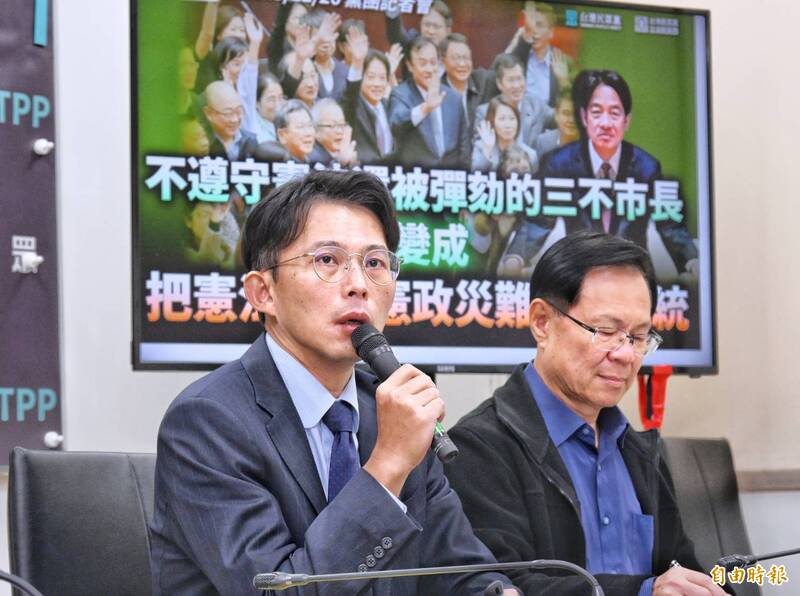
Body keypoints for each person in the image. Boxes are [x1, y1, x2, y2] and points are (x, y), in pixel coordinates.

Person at [150, 169, 521, 595]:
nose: (358, 285)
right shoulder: (207, 422)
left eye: (375, 263)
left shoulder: (388, 411)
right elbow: (279, 591)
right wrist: (387, 465)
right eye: (327, 260)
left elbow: (462, 571)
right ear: (262, 292)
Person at [445, 231, 726, 596]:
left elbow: (680, 569)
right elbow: (498, 585)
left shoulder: (640, 451)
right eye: (606, 331)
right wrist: (642, 592)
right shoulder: (477, 449)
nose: (625, 355)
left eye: (639, 337)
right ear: (542, 322)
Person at [541, 70, 699, 277]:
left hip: (630, 276)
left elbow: (669, 225)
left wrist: (693, 262)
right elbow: (537, 221)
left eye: (614, 113)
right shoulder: (560, 163)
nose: (606, 123)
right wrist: (514, 259)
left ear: (627, 120)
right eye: (597, 112)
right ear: (584, 117)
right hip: (577, 275)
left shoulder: (646, 166)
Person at [388, 36, 469, 169]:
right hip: (416, 176)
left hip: (450, 176)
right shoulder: (401, 94)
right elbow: (396, 123)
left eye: (433, 62)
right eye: (423, 63)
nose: (429, 69)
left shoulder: (454, 98)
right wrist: (425, 108)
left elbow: (464, 146)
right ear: (410, 66)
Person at [474, 54, 553, 152]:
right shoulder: (484, 112)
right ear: (499, 84)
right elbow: (479, 152)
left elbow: (562, 118)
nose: (516, 85)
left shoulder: (536, 105)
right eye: (511, 80)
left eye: (519, 79)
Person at [507, 1, 576, 108]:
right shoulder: (518, 56)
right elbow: (496, 81)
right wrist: (511, 47)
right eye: (531, 25)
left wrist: (563, 81)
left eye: (539, 25)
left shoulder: (565, 62)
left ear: (551, 32)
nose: (534, 30)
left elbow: (575, 105)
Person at [341, 31, 395, 164]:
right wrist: (357, 63)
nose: (377, 83)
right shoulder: (353, 106)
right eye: (371, 77)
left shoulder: (391, 106)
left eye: (382, 78)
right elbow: (350, 94)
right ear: (361, 77)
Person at [440, 33, 493, 133]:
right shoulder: (438, 92)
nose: (462, 64)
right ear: (443, 61)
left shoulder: (482, 80)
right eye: (456, 58)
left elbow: (506, 72)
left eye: (466, 57)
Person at [472, 96, 538, 172]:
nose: (508, 125)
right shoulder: (481, 147)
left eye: (512, 118)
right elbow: (476, 174)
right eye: (502, 119)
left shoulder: (530, 154)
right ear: (492, 121)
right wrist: (487, 149)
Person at [202, 81, 260, 161]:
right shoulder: (200, 142)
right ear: (209, 113)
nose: (235, 119)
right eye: (228, 113)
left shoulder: (250, 141)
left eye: (238, 111)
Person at [309, 98, 358, 167]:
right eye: (332, 125)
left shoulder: (345, 152)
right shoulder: (312, 156)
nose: (339, 131)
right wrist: (341, 163)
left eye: (342, 124)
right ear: (315, 130)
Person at [535, 87, 579, 158]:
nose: (572, 120)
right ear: (556, 114)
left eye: (576, 114)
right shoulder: (543, 142)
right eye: (566, 113)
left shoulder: (591, 143)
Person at [253, 72, 285, 144]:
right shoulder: (253, 129)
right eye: (271, 100)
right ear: (257, 103)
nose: (278, 105)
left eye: (280, 98)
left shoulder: (287, 118)